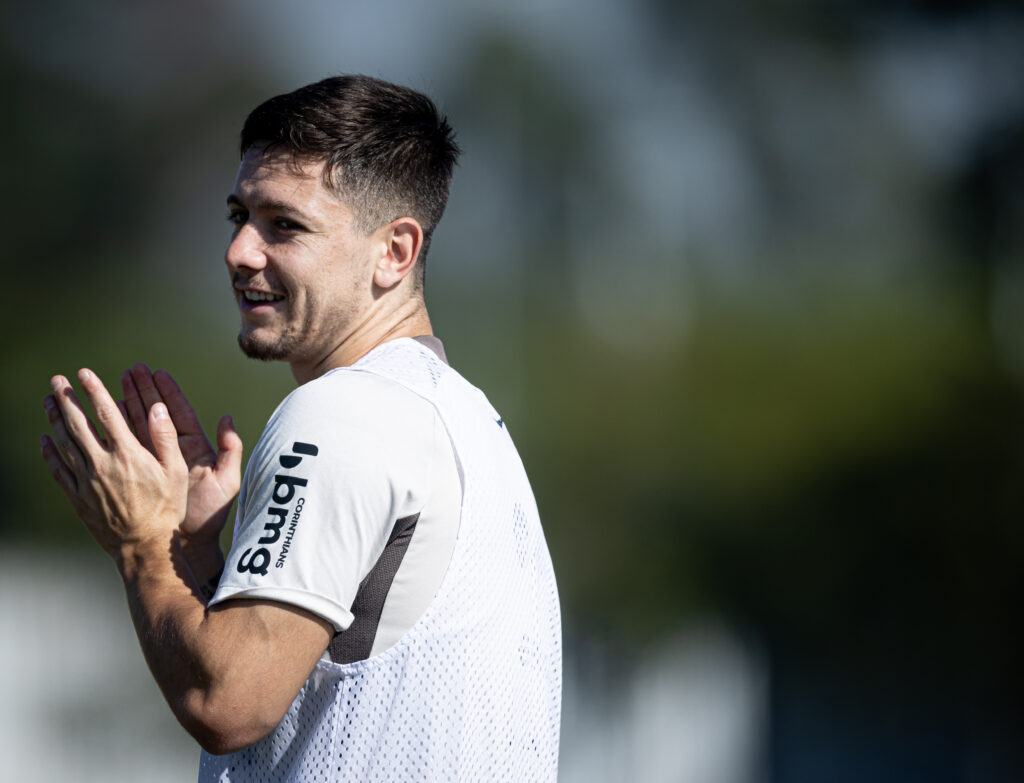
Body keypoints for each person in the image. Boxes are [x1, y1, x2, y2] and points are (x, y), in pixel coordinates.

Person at [40, 74, 561, 781]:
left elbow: (229, 700)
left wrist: (141, 545)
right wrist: (191, 552)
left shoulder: (342, 412)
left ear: (395, 252)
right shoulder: (468, 416)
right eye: (239, 216)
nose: (239, 252)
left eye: (283, 225)